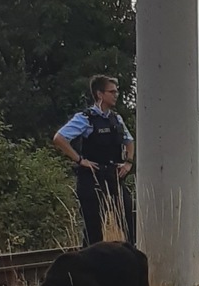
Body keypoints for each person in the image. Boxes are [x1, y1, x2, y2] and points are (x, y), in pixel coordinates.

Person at [52, 74, 136, 246]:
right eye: (111, 91)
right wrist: (79, 160)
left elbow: (129, 141)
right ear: (100, 94)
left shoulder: (116, 119)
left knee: (130, 223)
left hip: (113, 176)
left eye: (116, 91)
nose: (116, 95)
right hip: (92, 178)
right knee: (93, 233)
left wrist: (128, 162)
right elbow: (59, 138)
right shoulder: (86, 118)